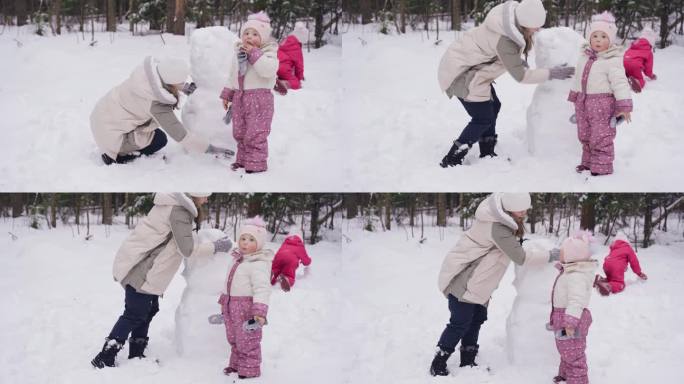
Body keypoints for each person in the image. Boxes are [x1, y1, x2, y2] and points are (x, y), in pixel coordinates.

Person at [90, 193, 233, 368]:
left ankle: (136, 352)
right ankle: (105, 356)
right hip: (146, 271)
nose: (207, 199)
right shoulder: (180, 212)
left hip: (149, 270)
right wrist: (215, 247)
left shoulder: (174, 206)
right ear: (195, 193)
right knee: (135, 314)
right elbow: (187, 249)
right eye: (205, 195)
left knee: (148, 310)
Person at [430, 192, 560, 376]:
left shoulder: (503, 221)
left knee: (476, 320)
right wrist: (551, 256)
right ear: (509, 208)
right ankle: (438, 362)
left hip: (479, 284)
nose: (524, 212)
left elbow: (510, 245)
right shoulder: (498, 227)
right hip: (466, 284)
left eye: (525, 208)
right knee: (459, 323)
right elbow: (520, 257)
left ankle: (467, 360)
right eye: (520, 209)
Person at [437, 0, 575, 167]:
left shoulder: (509, 23)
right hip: (461, 74)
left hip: (470, 68)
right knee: (482, 118)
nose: (538, 29)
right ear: (525, 22)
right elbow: (522, 76)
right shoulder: (506, 40)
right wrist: (551, 73)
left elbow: (497, 52)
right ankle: (452, 157)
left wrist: (513, 60)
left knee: (494, 106)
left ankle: (487, 151)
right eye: (535, 26)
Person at [91, 57, 232, 165]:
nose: (183, 83)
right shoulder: (157, 105)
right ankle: (119, 156)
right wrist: (209, 148)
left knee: (153, 133)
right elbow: (180, 135)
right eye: (181, 82)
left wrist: (183, 88)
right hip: (113, 138)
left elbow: (164, 82)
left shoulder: (145, 78)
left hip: (102, 119)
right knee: (159, 139)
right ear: (172, 83)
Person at [568, 12, 633, 176]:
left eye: (603, 36)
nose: (598, 40)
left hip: (603, 105)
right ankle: (588, 162)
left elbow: (620, 83)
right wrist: (575, 96)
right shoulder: (584, 57)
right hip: (583, 104)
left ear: (610, 40)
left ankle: (602, 167)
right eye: (595, 35)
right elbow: (577, 78)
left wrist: (624, 106)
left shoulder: (612, 60)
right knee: (585, 134)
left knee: (601, 136)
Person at [220, 12, 279, 173]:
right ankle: (243, 159)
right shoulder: (239, 53)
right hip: (240, 98)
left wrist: (254, 53)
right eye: (246, 33)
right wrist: (227, 94)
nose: (249, 37)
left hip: (260, 100)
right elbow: (233, 75)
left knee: (256, 132)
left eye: (255, 34)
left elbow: (268, 70)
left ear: (264, 38)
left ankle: (256, 163)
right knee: (240, 131)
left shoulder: (268, 52)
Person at [218, 218, 274, 379]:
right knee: (234, 338)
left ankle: (250, 370)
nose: (245, 243)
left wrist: (260, 312)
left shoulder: (258, 263)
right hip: (231, 306)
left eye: (251, 240)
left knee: (248, 340)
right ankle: (236, 365)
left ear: (260, 243)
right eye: (243, 238)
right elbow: (229, 282)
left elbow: (262, 289)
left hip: (247, 309)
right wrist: (224, 303)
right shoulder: (237, 259)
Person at [547, 233, 597, 384]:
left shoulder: (576, 276)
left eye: (562, 252)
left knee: (574, 354)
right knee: (565, 350)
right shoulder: (570, 271)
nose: (559, 254)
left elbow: (576, 301)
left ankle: (578, 380)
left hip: (570, 321)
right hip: (563, 319)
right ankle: (566, 375)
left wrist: (570, 323)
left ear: (571, 256)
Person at [274, 22, 307, 95]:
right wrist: (299, 77)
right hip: (284, 68)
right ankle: (284, 83)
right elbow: (299, 66)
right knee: (297, 83)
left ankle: (274, 80)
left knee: (280, 73)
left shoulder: (285, 41)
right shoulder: (297, 48)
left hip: (274, 64)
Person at [623, 27, 658, 93]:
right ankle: (636, 82)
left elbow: (626, 53)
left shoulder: (633, 46)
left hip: (623, 62)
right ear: (651, 43)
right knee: (640, 80)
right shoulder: (649, 52)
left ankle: (622, 80)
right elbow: (648, 69)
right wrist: (651, 76)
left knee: (625, 75)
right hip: (635, 66)